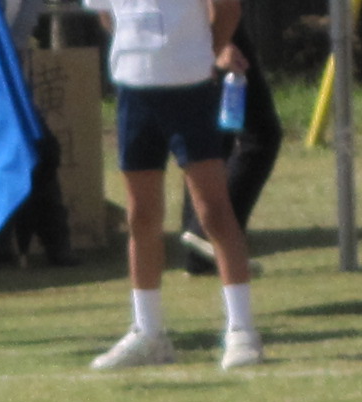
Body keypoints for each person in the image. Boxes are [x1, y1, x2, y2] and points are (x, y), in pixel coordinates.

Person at [89, 0, 260, 368]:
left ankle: (242, 330)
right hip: (133, 91)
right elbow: (106, 15)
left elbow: (227, 9)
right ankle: (149, 332)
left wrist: (206, 53)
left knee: (213, 210)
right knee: (141, 214)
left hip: (190, 90)